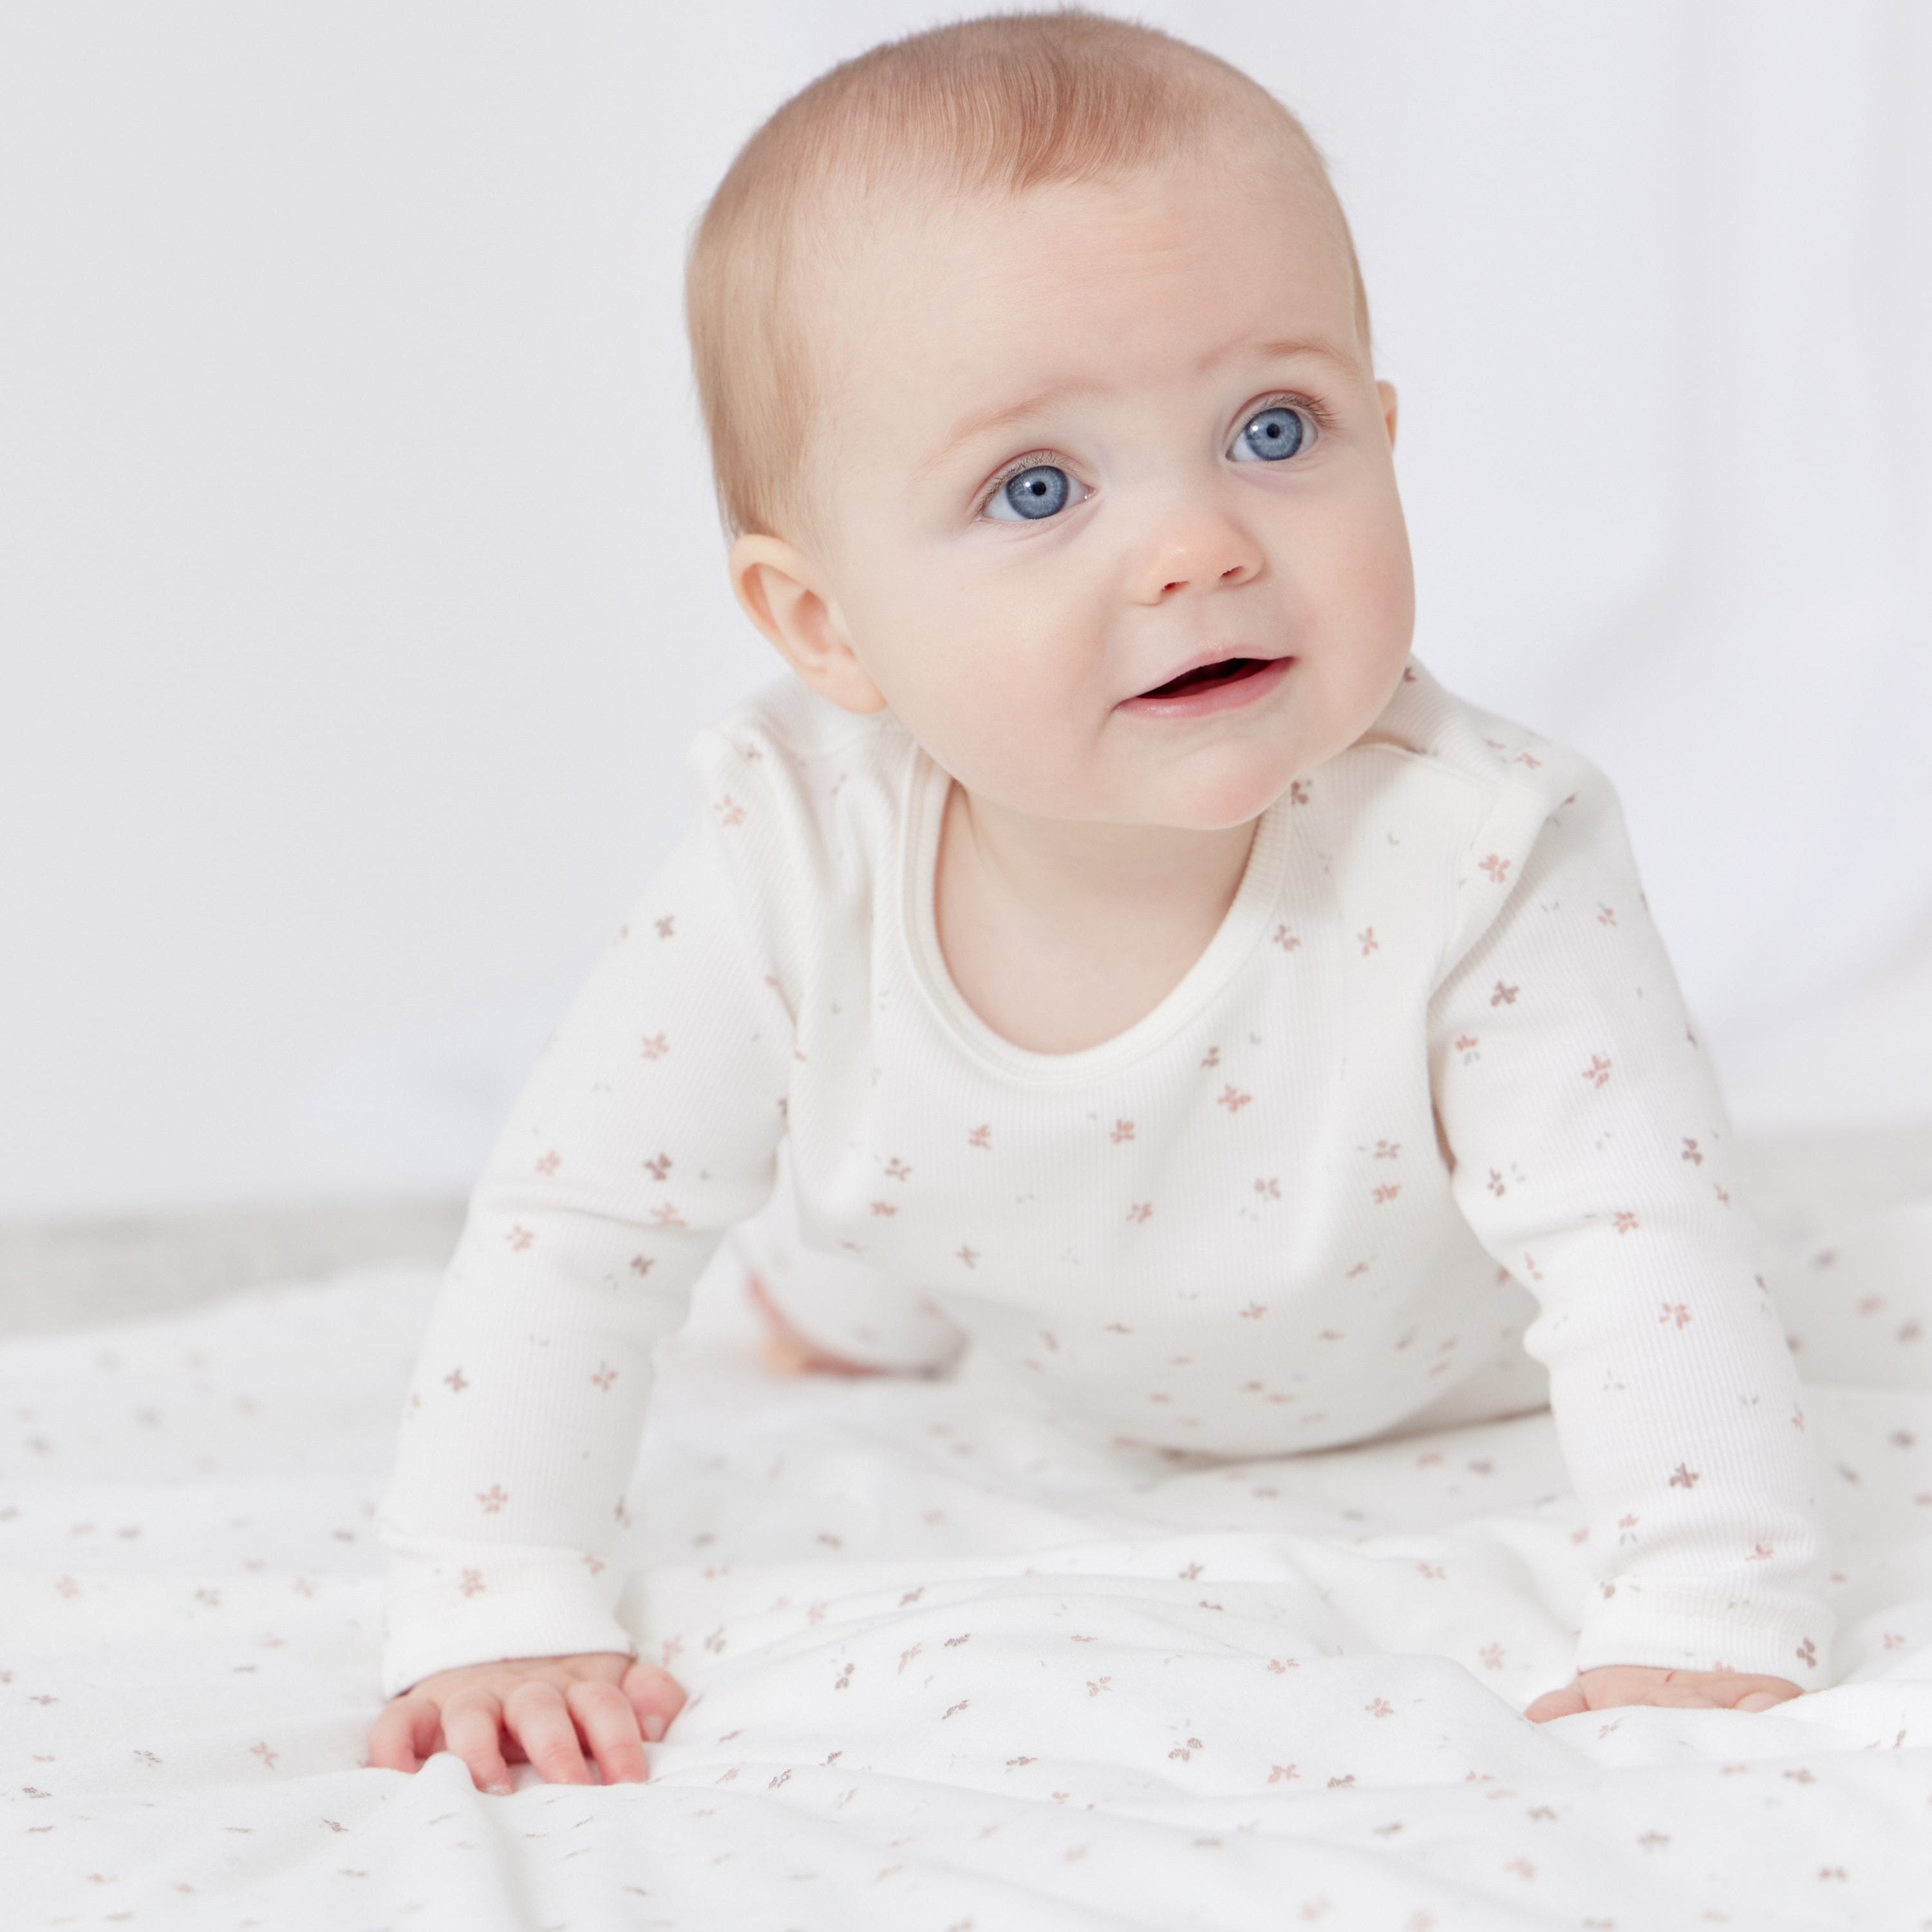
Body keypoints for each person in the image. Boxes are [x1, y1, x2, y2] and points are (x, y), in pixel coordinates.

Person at [365, 10, 1829, 1796]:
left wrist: (1703, 1617)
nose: (1201, 541)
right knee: (874, 1172)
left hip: (1432, 1367)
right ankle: (864, 1294)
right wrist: (494, 1591)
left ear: (1384, 432)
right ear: (826, 628)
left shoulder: (1478, 854)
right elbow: (576, 1222)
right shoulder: (784, 857)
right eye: (1035, 487)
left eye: (1273, 428)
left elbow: (1638, 1251)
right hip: (1029, 1299)